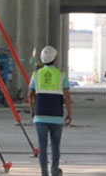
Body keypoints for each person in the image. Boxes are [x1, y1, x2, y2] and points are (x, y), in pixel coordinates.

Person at [28, 45, 72, 176]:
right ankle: (54, 170)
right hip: (56, 116)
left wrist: (32, 111)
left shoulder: (36, 75)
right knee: (55, 146)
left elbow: (29, 95)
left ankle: (44, 173)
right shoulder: (61, 75)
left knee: (42, 147)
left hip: (40, 116)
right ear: (55, 59)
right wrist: (70, 114)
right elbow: (68, 97)